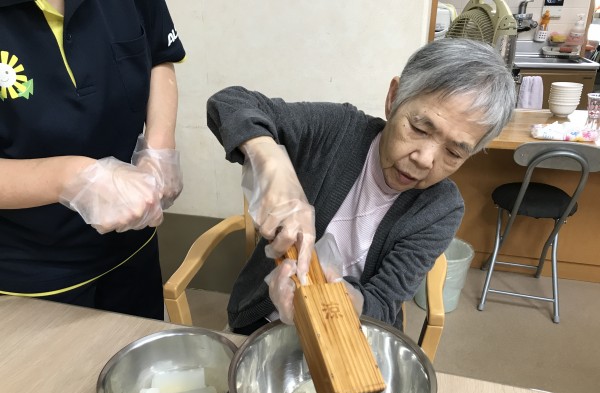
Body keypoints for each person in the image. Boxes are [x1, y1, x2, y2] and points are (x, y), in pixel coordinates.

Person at [207, 38, 516, 335]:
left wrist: (337, 299)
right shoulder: (338, 131)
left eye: (454, 153)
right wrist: (272, 163)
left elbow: (383, 303)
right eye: (420, 128)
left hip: (349, 332)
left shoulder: (440, 208)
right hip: (260, 318)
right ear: (393, 98)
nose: (425, 159)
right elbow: (229, 102)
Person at [0, 0, 185, 319]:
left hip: (132, 242)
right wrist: (71, 178)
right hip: (30, 274)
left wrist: (159, 146)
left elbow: (159, 54)